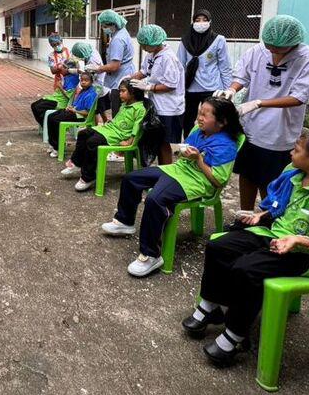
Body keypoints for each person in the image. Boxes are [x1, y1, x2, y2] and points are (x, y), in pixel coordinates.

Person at [182, 130, 309, 366]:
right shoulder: (294, 176)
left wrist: (298, 240)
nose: (291, 152)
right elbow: (281, 208)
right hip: (273, 236)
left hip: (304, 254)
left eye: (297, 150)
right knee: (218, 246)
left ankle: (235, 335)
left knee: (246, 269)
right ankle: (211, 305)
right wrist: (262, 216)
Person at [101, 97, 242, 277]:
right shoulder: (198, 131)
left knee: (155, 199)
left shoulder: (226, 145)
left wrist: (199, 159)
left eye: (205, 115)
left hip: (198, 181)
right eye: (199, 113)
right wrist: (184, 153)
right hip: (179, 170)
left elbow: (217, 181)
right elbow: (183, 153)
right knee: (132, 178)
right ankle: (125, 221)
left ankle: (151, 255)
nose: (199, 118)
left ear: (222, 122)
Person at [216, 15, 309, 212]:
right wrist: (231, 89)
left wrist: (259, 103)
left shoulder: (308, 59)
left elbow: (299, 97)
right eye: (269, 46)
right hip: (251, 127)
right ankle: (245, 216)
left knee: (272, 182)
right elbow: (242, 75)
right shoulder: (258, 51)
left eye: (278, 48)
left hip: (280, 131)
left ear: (293, 43)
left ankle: (268, 219)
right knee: (247, 174)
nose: (272, 51)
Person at [61, 79, 146, 192]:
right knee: (83, 133)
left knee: (92, 142)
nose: (120, 94)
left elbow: (137, 127)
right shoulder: (124, 105)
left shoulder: (140, 109)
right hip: (109, 130)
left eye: (123, 91)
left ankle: (88, 177)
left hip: (117, 136)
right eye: (120, 91)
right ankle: (76, 162)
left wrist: (129, 141)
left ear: (133, 93)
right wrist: (111, 121)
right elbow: (119, 119)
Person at [130, 24, 185, 165]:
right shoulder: (151, 54)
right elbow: (144, 71)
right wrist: (129, 78)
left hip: (169, 107)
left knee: (164, 143)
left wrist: (149, 87)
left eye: (145, 45)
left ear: (154, 42)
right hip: (157, 104)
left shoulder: (168, 58)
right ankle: (161, 170)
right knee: (158, 141)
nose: (143, 48)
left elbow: (171, 84)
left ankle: (166, 170)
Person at [177, 10, 232, 133]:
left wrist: (227, 90)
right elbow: (179, 66)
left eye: (205, 20)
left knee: (211, 119)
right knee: (187, 120)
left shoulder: (218, 40)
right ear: (193, 22)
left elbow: (225, 67)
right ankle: (190, 142)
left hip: (212, 88)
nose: (201, 23)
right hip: (190, 87)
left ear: (210, 22)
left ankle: (210, 141)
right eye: (197, 20)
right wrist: (179, 88)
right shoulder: (185, 41)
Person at [88, 10, 135, 118]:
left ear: (113, 24)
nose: (103, 28)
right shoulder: (121, 33)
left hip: (120, 80)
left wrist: (98, 68)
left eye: (105, 26)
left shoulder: (118, 39)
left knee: (118, 114)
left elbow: (114, 66)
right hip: (124, 76)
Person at [45, 71, 98, 157]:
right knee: (51, 116)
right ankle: (52, 143)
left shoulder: (91, 94)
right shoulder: (83, 91)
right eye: (82, 80)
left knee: (56, 120)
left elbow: (87, 113)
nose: (83, 82)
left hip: (79, 116)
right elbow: (76, 104)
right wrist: (70, 107)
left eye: (86, 80)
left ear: (91, 82)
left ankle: (57, 147)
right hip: (73, 111)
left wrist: (75, 111)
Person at [30, 33, 77, 127]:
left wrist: (61, 85)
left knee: (39, 107)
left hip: (64, 88)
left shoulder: (70, 53)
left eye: (58, 44)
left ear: (61, 41)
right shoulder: (51, 56)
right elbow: (53, 70)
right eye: (53, 45)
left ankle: (48, 126)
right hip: (60, 83)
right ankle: (46, 125)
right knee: (37, 106)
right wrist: (60, 68)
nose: (56, 46)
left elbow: (69, 96)